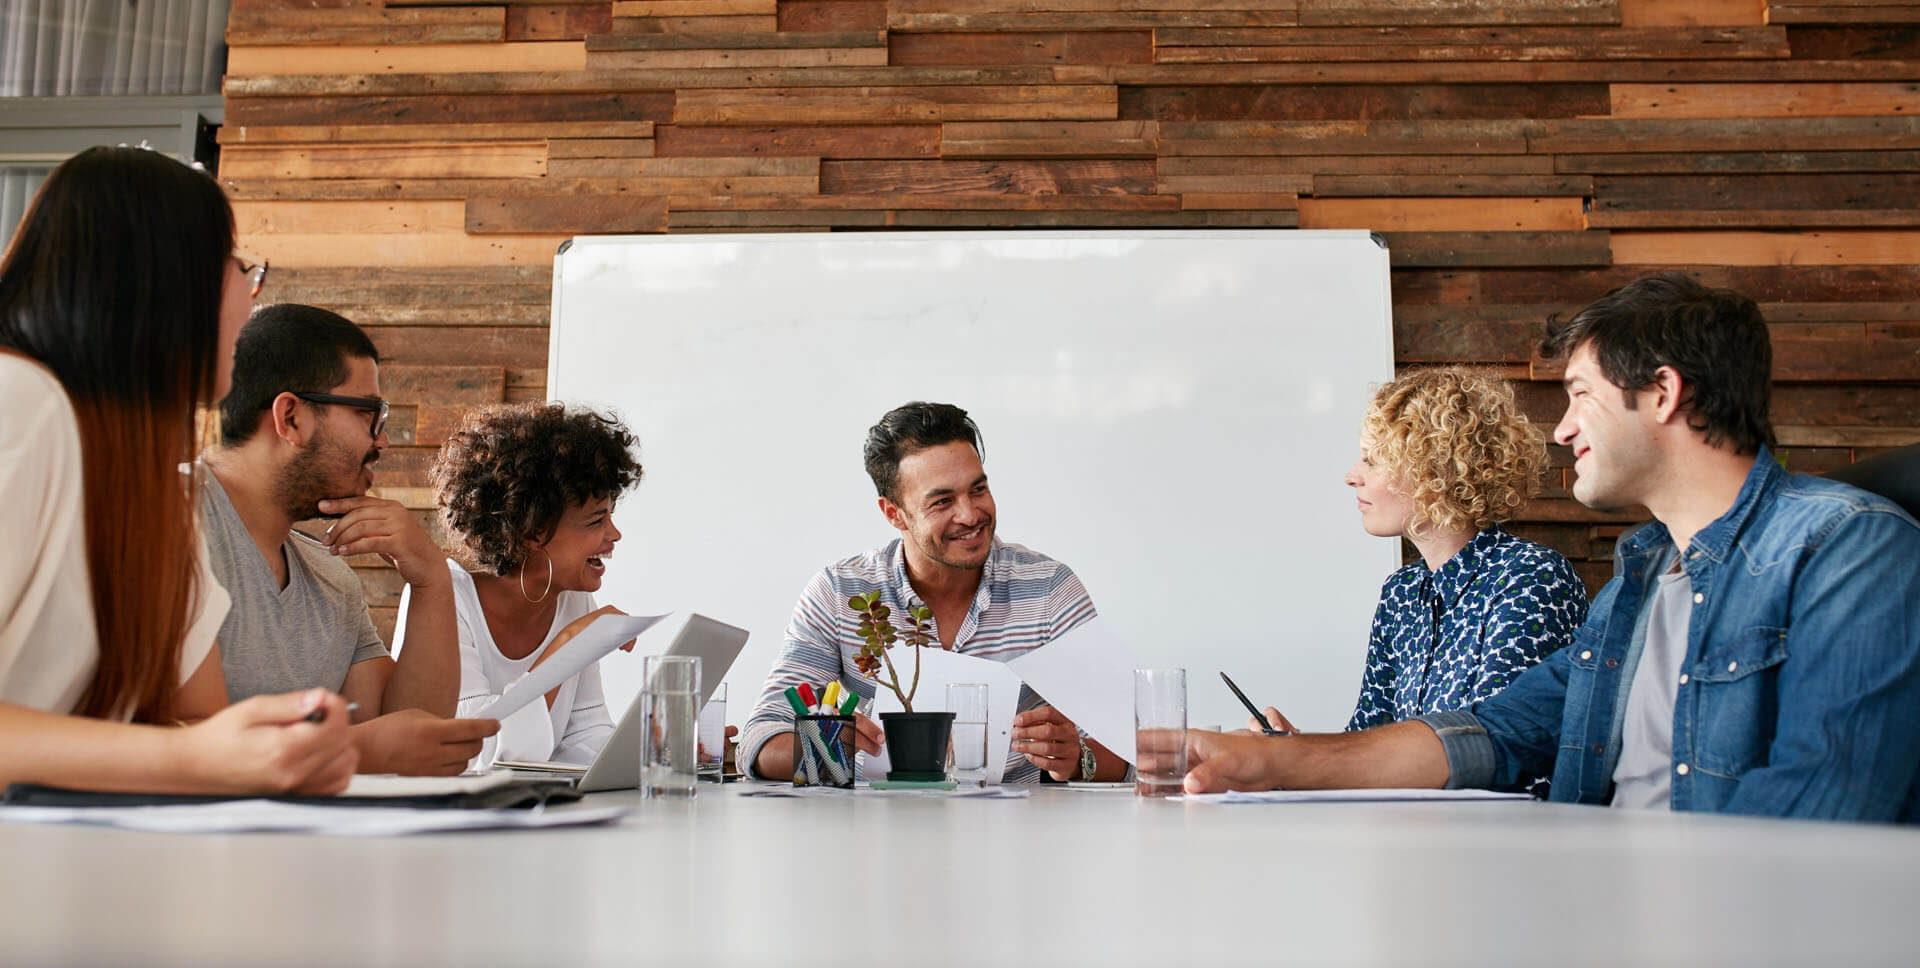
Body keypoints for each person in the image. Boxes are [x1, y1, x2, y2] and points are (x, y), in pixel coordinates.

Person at [1186, 274, 1920, 823]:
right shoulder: (1638, 579)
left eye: (1579, 395)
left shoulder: (1850, 548)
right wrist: (1275, 761)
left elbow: (1827, 809)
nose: (1563, 431)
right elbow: (1499, 733)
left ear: (1662, 393)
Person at [0, 145, 355, 794]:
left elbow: (193, 718)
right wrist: (201, 758)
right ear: (164, 282)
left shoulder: (153, 482)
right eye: (238, 269)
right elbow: (189, 748)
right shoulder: (20, 402)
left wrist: (277, 749)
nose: (250, 304)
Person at [740, 401, 1129, 784]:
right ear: (893, 513)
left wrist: (1079, 760)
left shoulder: (1048, 588)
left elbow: (1136, 747)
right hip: (873, 831)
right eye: (942, 501)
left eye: (978, 489)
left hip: (1015, 833)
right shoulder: (840, 591)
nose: (970, 514)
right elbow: (759, 742)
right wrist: (823, 747)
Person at [202, 304, 497, 776]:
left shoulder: (330, 579)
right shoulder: (166, 524)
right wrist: (355, 750)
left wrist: (432, 579)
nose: (382, 442)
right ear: (291, 418)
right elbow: (170, 737)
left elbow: (407, 739)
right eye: (370, 414)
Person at [1250, 367, 1587, 740]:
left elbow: (1501, 747)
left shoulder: (1530, 578)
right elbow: (1368, 739)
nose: (1351, 476)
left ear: (1435, 470)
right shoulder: (1401, 592)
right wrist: (1294, 750)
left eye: (1372, 460)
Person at [401, 403, 643, 766]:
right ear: (533, 531)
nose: (615, 534)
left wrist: (657, 750)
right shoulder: (443, 597)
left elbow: (584, 736)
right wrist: (569, 646)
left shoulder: (573, 601)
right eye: (596, 521)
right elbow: (473, 752)